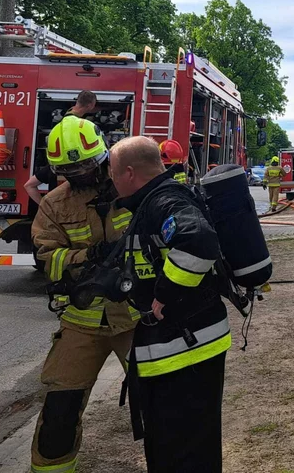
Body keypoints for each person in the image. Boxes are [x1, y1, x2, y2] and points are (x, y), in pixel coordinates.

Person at [110, 136, 231, 473]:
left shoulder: (162, 201)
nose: (111, 180)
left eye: (113, 172)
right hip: (180, 347)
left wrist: (164, 294)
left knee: (182, 452)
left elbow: (198, 241)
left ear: (130, 173)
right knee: (184, 448)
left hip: (184, 350)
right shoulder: (151, 201)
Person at [30, 116, 138, 473]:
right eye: (68, 170)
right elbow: (48, 258)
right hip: (82, 321)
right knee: (59, 410)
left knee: (161, 403)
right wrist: (88, 259)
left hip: (136, 317)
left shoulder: (133, 188)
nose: (78, 176)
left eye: (86, 167)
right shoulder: (55, 205)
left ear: (103, 155)